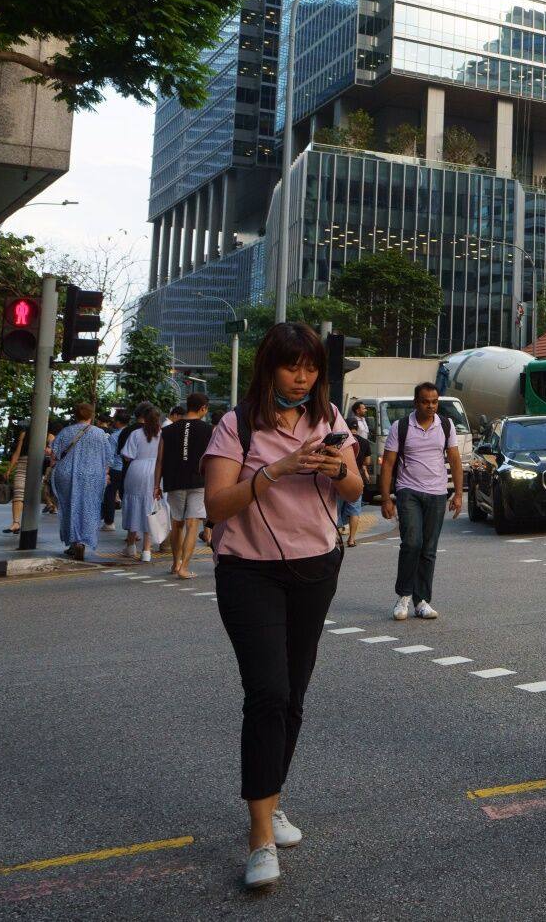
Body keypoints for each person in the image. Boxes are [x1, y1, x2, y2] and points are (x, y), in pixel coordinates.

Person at [201, 322, 361, 891]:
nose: (302, 376)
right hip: (250, 572)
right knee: (267, 692)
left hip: (315, 569)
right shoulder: (235, 425)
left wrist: (336, 468)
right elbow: (218, 506)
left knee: (293, 694)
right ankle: (260, 836)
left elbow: (355, 488)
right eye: (292, 365)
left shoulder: (329, 420)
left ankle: (273, 798)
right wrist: (277, 470)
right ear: (269, 366)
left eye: (311, 367)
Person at [378, 384, 470, 621]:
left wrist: (458, 494)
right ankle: (404, 596)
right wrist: (386, 498)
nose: (430, 406)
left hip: (438, 493)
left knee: (428, 549)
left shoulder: (446, 425)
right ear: (416, 402)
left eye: (434, 402)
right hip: (408, 491)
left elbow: (455, 460)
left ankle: (422, 601)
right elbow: (388, 464)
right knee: (411, 543)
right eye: (425, 401)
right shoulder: (402, 427)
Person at [50, 402, 113, 560]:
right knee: (90, 507)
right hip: (92, 476)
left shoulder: (65, 432)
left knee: (69, 506)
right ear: (91, 416)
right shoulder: (100, 434)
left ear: (75, 415)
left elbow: (54, 454)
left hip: (67, 475)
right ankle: (83, 541)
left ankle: (73, 542)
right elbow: (109, 458)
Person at [162, 392, 213, 578]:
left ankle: (175, 563)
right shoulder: (209, 430)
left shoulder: (168, 430)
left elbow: (160, 460)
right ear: (203, 408)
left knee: (177, 523)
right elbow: (211, 459)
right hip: (198, 481)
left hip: (174, 480)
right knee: (193, 524)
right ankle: (184, 567)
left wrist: (155, 486)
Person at [113, 405, 163, 563]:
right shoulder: (163, 434)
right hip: (156, 471)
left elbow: (127, 456)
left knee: (134, 506)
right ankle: (146, 551)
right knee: (150, 508)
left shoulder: (136, 433)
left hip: (136, 470)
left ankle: (130, 546)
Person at [341, 400, 373, 548]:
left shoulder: (341, 441)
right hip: (357, 477)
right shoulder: (365, 442)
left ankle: (336, 537)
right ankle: (352, 539)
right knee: (354, 510)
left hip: (340, 476)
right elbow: (367, 461)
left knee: (336, 507)